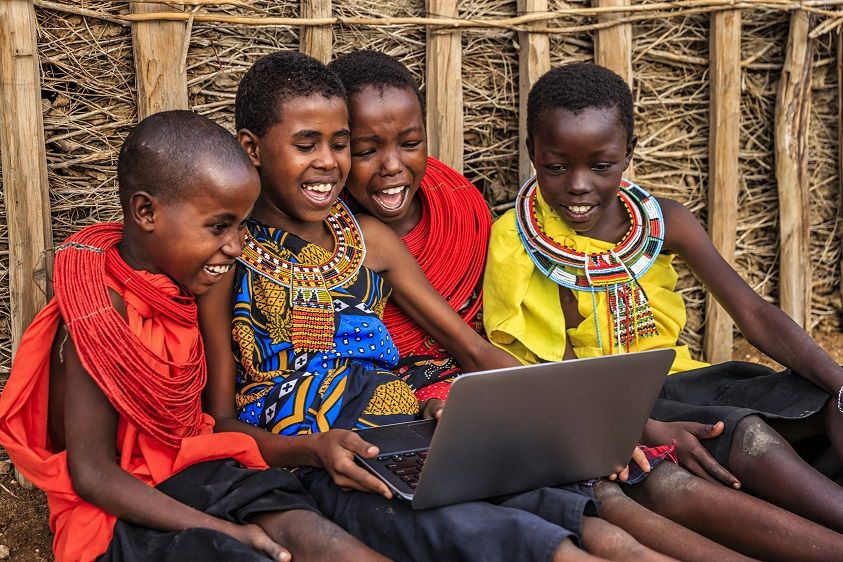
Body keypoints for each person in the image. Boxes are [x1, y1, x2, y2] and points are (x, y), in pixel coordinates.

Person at [199, 50, 676, 562]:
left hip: (422, 435)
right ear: (251, 147)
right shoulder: (228, 259)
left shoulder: (371, 241)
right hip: (334, 466)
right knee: (538, 545)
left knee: (593, 524)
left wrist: (576, 425)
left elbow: (469, 347)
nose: (327, 162)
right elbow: (220, 419)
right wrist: (311, 449)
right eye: (305, 144)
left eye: (339, 144)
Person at [483, 62, 843, 560]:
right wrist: (645, 429)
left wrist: (841, 382)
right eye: (556, 166)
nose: (579, 185)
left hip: (680, 379)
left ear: (629, 153)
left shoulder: (664, 221)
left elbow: (754, 315)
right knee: (749, 433)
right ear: (532, 155)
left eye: (602, 165)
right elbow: (545, 374)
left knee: (825, 399)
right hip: (601, 407)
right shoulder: (517, 241)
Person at [0, 111, 388, 562]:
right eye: (219, 226)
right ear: (146, 211)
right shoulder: (99, 313)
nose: (237, 246)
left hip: (195, 470)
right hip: (113, 511)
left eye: (241, 225)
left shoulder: (183, 292)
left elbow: (205, 425)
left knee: (309, 530)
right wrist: (226, 531)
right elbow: (93, 474)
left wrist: (314, 449)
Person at [328, 50, 491, 403]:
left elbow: (477, 347)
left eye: (410, 144)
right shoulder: (333, 245)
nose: (392, 165)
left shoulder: (464, 210)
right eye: (365, 151)